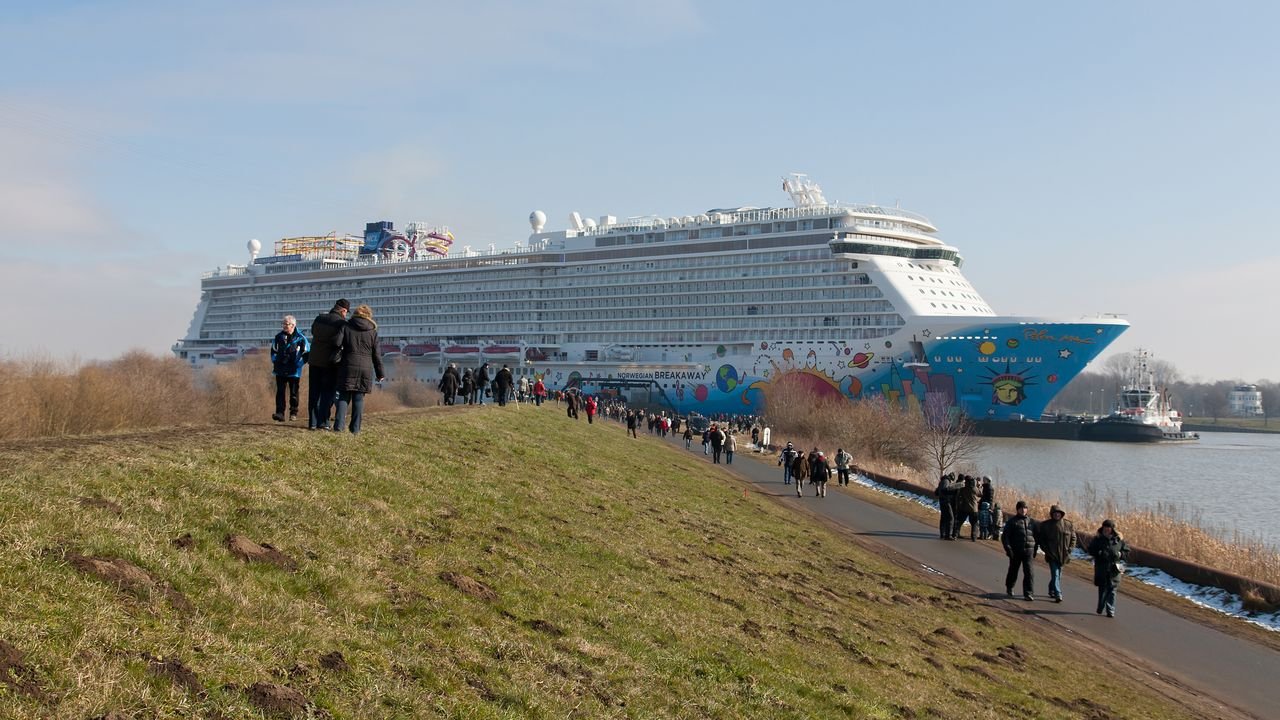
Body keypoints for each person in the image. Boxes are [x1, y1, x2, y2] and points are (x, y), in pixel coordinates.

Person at [332, 304, 385, 434]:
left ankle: (339, 427)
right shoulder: (372, 332)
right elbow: (376, 355)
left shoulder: (346, 326)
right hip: (365, 368)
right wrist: (380, 373)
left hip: (348, 365)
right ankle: (355, 429)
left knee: (344, 397)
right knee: (358, 398)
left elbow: (336, 343)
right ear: (369, 316)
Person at [307, 298, 348, 430]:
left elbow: (313, 332)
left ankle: (312, 423)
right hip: (330, 362)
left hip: (314, 360)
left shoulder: (319, 318)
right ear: (343, 310)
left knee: (314, 392)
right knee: (327, 392)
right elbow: (340, 342)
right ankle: (323, 422)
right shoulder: (342, 323)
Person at [270, 314, 309, 422]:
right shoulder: (278, 337)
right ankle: (280, 413)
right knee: (280, 392)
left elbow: (307, 353)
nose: (284, 326)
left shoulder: (301, 338)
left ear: (293, 325)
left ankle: (293, 412)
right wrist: (276, 361)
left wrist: (299, 364)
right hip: (280, 369)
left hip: (294, 370)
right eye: (283, 324)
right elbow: (273, 351)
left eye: (287, 324)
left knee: (294, 392)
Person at [1087, 519, 1130, 617]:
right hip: (1101, 568)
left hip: (1115, 569)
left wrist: (1120, 554)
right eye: (1105, 528)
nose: (1106, 530)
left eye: (1108, 528)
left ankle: (1110, 610)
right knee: (1102, 589)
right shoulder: (1098, 539)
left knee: (1112, 590)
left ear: (1112, 529)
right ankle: (1101, 606)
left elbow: (1127, 552)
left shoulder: (1118, 540)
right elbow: (1090, 549)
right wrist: (1099, 553)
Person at [1036, 505, 1076, 603]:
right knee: (1055, 574)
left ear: (1061, 514)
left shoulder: (1068, 524)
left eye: (1059, 513)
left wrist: (1070, 549)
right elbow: (1041, 540)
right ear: (1052, 514)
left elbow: (1073, 538)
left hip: (1063, 555)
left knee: (1058, 575)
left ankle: (1051, 589)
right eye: (1055, 513)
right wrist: (1047, 550)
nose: (1057, 515)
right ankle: (1058, 594)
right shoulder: (1046, 525)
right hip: (1052, 555)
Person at [1001, 500, 1039, 601]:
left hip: (1028, 552)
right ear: (1017, 509)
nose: (1023, 510)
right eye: (1021, 508)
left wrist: (1035, 549)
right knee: (1013, 571)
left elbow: (1036, 536)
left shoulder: (1032, 522)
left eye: (1025, 508)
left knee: (1029, 572)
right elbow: (1005, 537)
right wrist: (1008, 549)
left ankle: (1028, 593)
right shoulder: (1012, 522)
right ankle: (1009, 587)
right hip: (1016, 551)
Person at [955, 475, 981, 541]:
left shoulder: (963, 488)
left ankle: (956, 533)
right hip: (974, 509)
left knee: (960, 521)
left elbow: (959, 495)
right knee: (974, 523)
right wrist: (979, 486)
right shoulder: (974, 488)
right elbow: (980, 494)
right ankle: (974, 537)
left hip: (964, 508)